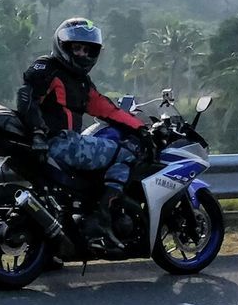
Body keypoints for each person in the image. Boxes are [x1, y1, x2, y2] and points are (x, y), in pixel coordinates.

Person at [17, 17, 146, 250]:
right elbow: (27, 98)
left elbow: (106, 109)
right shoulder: (48, 68)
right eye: (76, 48)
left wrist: (139, 127)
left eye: (87, 50)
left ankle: (53, 247)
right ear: (63, 46)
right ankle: (102, 215)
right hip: (60, 143)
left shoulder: (80, 82)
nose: (82, 54)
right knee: (127, 152)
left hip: (54, 145)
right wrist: (37, 132)